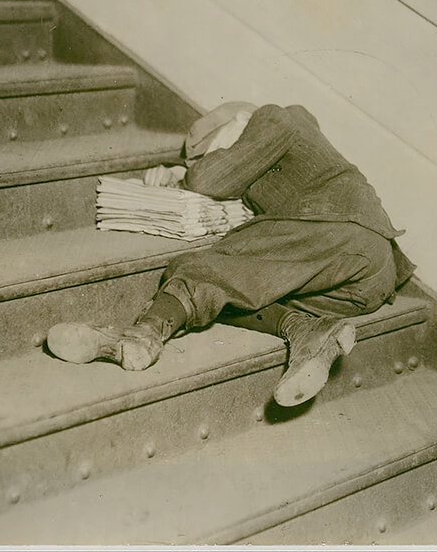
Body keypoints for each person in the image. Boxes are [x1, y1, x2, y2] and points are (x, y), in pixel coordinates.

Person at [47, 101, 416, 407]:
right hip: (362, 284)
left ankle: (139, 336)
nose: (216, 158)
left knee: (203, 269)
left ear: (239, 123)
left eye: (215, 150)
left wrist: (182, 176)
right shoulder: (295, 154)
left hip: (341, 232)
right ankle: (306, 332)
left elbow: (211, 180)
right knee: (244, 294)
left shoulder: (275, 117)